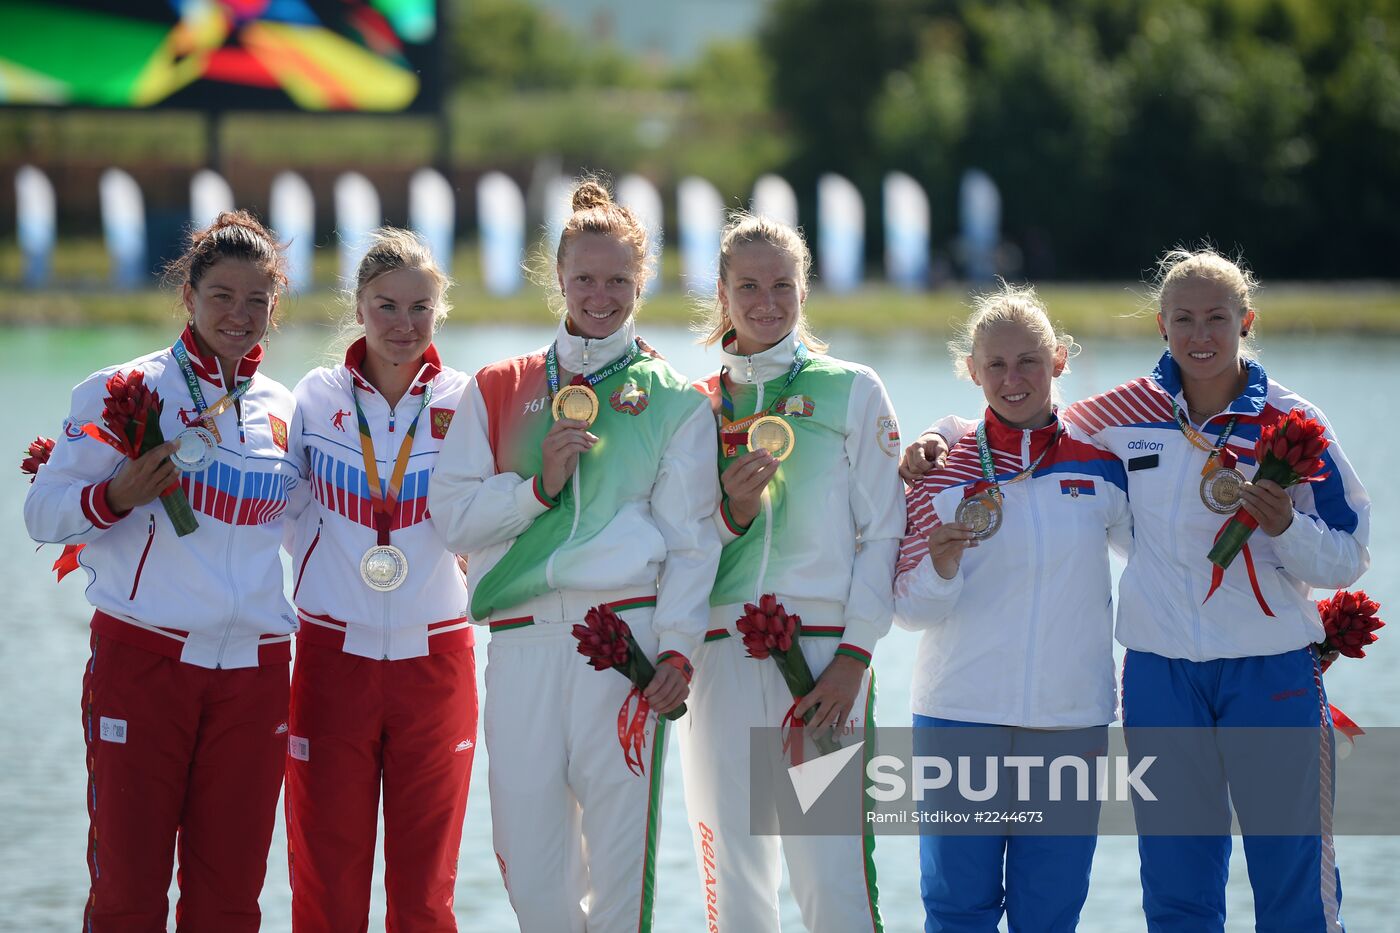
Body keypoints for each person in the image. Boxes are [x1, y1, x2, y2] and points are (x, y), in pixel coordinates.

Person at [902, 249, 1369, 932]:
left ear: (1247, 320)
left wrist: (1287, 527)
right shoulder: (1120, 414)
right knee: (1177, 894)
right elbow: (1016, 416)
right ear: (1162, 324)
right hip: (1161, 676)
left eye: (1217, 317)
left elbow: (1349, 555)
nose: (1200, 334)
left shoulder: (1294, 424)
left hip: (1269, 672)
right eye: (1184, 318)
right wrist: (936, 435)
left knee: (1291, 880)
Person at [427, 178, 720, 933]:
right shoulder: (496, 387)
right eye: (585, 277)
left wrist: (680, 651)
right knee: (534, 880)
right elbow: (452, 520)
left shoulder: (675, 398)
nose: (600, 294)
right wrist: (538, 487)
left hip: (624, 645)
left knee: (621, 882)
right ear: (557, 277)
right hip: (520, 645)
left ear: (641, 282)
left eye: (618, 279)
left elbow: (692, 545)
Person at [24, 211, 301, 930]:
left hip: (256, 673)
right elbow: (43, 514)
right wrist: (114, 495)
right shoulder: (124, 389)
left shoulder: (286, 410)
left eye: (257, 299)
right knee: (128, 893)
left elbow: (313, 530)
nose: (239, 315)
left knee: (232, 900)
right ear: (189, 295)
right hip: (145, 663)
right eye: (221, 296)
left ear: (277, 301)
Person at [678, 213, 905, 932]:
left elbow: (886, 531)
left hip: (823, 658)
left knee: (831, 879)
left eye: (782, 285)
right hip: (719, 656)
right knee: (733, 883)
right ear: (721, 291)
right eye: (748, 285)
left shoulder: (852, 388)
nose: (766, 301)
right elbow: (681, 547)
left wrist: (854, 658)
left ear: (805, 288)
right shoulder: (694, 406)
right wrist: (731, 508)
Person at [894, 284, 1131, 932]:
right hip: (957, 716)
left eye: (1028, 360)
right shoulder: (940, 462)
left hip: (1069, 721)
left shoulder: (1105, 462)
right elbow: (909, 609)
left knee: (1050, 915)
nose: (1012, 377)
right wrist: (942, 567)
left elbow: (1168, 564)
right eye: (994, 364)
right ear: (971, 370)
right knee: (956, 911)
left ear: (1058, 359)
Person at [283, 228, 477, 931]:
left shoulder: (470, 400)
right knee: (327, 886)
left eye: (420, 307)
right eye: (386, 306)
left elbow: (490, 522)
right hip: (333, 658)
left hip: (437, 661)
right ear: (359, 306)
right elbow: (276, 510)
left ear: (440, 310)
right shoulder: (312, 397)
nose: (404, 324)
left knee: (426, 894)